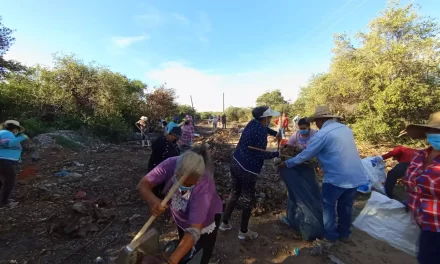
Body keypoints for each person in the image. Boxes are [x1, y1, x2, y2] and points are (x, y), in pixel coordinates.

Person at [279, 106, 368, 249]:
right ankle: (344, 234)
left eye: (316, 122)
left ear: (320, 120)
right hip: (356, 175)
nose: (316, 125)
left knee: (328, 207)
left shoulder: (322, 134)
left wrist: (287, 163)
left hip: (336, 178)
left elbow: (306, 154)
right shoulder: (345, 129)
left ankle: (330, 238)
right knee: (345, 207)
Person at [139, 146, 223, 264]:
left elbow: (194, 230)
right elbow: (144, 184)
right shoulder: (170, 164)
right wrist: (152, 200)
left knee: (200, 256)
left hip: (205, 223)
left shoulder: (204, 186)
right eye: (183, 182)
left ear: (198, 178)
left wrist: (171, 262)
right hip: (182, 218)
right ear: (177, 171)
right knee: (184, 250)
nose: (185, 187)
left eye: (190, 184)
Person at [219, 106, 281, 240]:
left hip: (235, 162)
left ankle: (224, 223)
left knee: (234, 192)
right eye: (269, 117)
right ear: (264, 118)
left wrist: (275, 133)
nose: (270, 120)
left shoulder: (253, 123)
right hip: (247, 169)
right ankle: (243, 231)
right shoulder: (259, 133)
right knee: (248, 199)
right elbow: (260, 154)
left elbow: (266, 129)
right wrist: (277, 154)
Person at [403, 112, 440, 264]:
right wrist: (411, 201)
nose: (437, 135)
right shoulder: (420, 155)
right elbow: (413, 184)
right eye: (434, 131)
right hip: (424, 223)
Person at [0, 120, 29, 207]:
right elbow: (7, 144)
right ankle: (5, 201)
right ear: (14, 128)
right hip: (3, 160)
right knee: (10, 180)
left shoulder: (5, 133)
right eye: (17, 129)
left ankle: (3, 200)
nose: (17, 132)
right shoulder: (6, 133)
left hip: (4, 160)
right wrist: (23, 137)